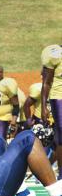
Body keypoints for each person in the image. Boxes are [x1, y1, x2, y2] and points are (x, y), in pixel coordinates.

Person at [41, 44, 62, 180]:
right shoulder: (55, 54)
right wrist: (44, 106)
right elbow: (47, 82)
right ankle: (61, 174)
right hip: (60, 97)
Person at [0, 65, 20, 140]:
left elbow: (16, 105)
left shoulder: (7, 84)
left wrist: (14, 120)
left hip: (2, 119)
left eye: (0, 72)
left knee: (0, 140)